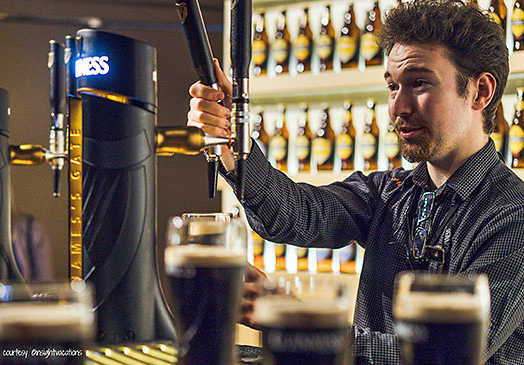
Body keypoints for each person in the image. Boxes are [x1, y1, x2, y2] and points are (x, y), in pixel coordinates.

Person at [187, 0, 524, 363]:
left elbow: (451, 352)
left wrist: (300, 320)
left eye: (419, 83)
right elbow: (296, 214)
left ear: (480, 91)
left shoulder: (512, 215)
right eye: (393, 86)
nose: (398, 107)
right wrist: (231, 141)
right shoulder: (388, 193)